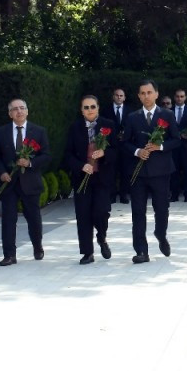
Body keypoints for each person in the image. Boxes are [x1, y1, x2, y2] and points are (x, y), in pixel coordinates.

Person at [123, 80, 180, 264]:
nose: (146, 96)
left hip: (161, 171)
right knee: (138, 212)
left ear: (156, 93)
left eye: (149, 92)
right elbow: (125, 142)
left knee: (162, 210)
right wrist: (137, 151)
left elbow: (177, 140)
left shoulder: (168, 115)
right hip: (138, 173)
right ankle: (141, 251)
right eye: (142, 93)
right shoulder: (132, 117)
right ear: (139, 96)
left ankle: (161, 234)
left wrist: (160, 146)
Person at [0, 98, 51, 266]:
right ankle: (9, 254)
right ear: (10, 113)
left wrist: (30, 163)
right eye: (15, 109)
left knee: (34, 218)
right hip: (9, 183)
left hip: (30, 182)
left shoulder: (38, 131)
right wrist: (2, 172)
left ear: (27, 111)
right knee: (8, 220)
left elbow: (47, 155)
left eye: (22, 108)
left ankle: (37, 245)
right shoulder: (0, 132)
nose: (19, 111)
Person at [65, 95, 117, 264]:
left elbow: (118, 151)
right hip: (82, 178)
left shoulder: (108, 125)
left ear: (98, 107)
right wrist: (81, 165)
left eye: (92, 106)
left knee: (101, 211)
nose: (90, 110)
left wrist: (104, 153)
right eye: (86, 107)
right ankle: (87, 252)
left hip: (102, 177)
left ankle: (101, 238)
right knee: (83, 215)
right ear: (81, 110)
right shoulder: (74, 128)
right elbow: (68, 154)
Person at [100, 88, 130, 204]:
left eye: (121, 95)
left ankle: (123, 195)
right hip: (111, 146)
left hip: (125, 146)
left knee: (125, 171)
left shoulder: (129, 111)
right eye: (117, 95)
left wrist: (125, 135)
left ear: (124, 97)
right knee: (111, 171)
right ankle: (112, 195)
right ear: (113, 96)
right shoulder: (106, 111)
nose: (119, 97)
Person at [170, 88, 187, 202]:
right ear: (174, 97)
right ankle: (174, 194)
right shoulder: (169, 111)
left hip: (186, 146)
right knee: (173, 170)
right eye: (178, 96)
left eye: (182, 96)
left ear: (185, 97)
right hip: (173, 146)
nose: (179, 98)